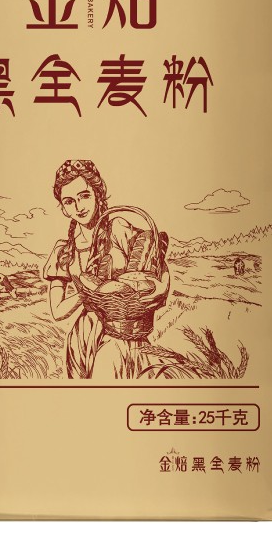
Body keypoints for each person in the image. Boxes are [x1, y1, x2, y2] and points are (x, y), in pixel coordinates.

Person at [43, 159, 169, 379]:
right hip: (83, 337)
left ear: (98, 194)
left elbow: (154, 261)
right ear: (63, 208)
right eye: (69, 201)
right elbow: (57, 311)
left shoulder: (118, 228)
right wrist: (88, 293)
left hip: (124, 333)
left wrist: (162, 286)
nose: (78, 207)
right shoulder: (63, 251)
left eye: (84, 196)